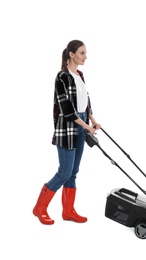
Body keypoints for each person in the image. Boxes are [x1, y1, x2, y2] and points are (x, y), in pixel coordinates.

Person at [33, 40, 101, 225]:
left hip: (82, 123)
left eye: (85, 53)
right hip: (68, 127)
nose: (85, 57)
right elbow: (66, 109)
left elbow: (85, 100)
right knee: (64, 172)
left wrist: (92, 119)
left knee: (73, 172)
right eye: (82, 53)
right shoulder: (62, 76)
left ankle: (68, 211)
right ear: (71, 54)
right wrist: (85, 125)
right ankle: (39, 209)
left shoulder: (80, 75)